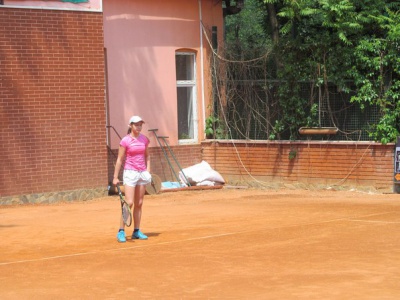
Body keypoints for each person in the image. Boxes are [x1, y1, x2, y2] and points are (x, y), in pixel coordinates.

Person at [113, 115, 152, 243]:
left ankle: (136, 231)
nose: (139, 126)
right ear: (130, 126)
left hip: (141, 173)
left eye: (140, 124)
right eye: (136, 124)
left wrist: (148, 171)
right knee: (129, 202)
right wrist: (115, 177)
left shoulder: (144, 140)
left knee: (139, 203)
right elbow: (119, 159)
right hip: (130, 172)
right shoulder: (125, 141)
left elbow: (147, 157)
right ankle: (121, 231)